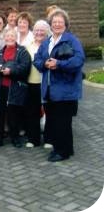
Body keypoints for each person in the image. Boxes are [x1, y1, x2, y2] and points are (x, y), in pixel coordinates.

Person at [33, 8, 85, 162]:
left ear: (65, 24)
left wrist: (59, 64)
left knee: (63, 122)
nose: (57, 24)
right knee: (54, 121)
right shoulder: (47, 42)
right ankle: (63, 148)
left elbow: (79, 60)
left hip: (65, 89)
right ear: (50, 24)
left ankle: (62, 151)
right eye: (54, 22)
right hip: (49, 89)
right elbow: (36, 60)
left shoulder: (71, 40)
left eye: (60, 22)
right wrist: (45, 64)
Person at [0, 29, 31, 149]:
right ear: (4, 38)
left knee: (14, 114)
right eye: (7, 36)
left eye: (12, 36)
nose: (9, 38)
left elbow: (25, 68)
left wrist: (11, 71)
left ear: (16, 37)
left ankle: (15, 138)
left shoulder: (22, 52)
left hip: (15, 88)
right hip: (0, 88)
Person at [25, 20, 50, 148]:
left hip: (46, 83)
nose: (39, 33)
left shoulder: (50, 45)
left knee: (48, 111)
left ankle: (49, 139)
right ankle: (33, 139)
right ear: (33, 32)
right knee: (32, 111)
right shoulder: (28, 46)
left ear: (47, 32)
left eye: (42, 30)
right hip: (32, 82)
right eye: (36, 30)